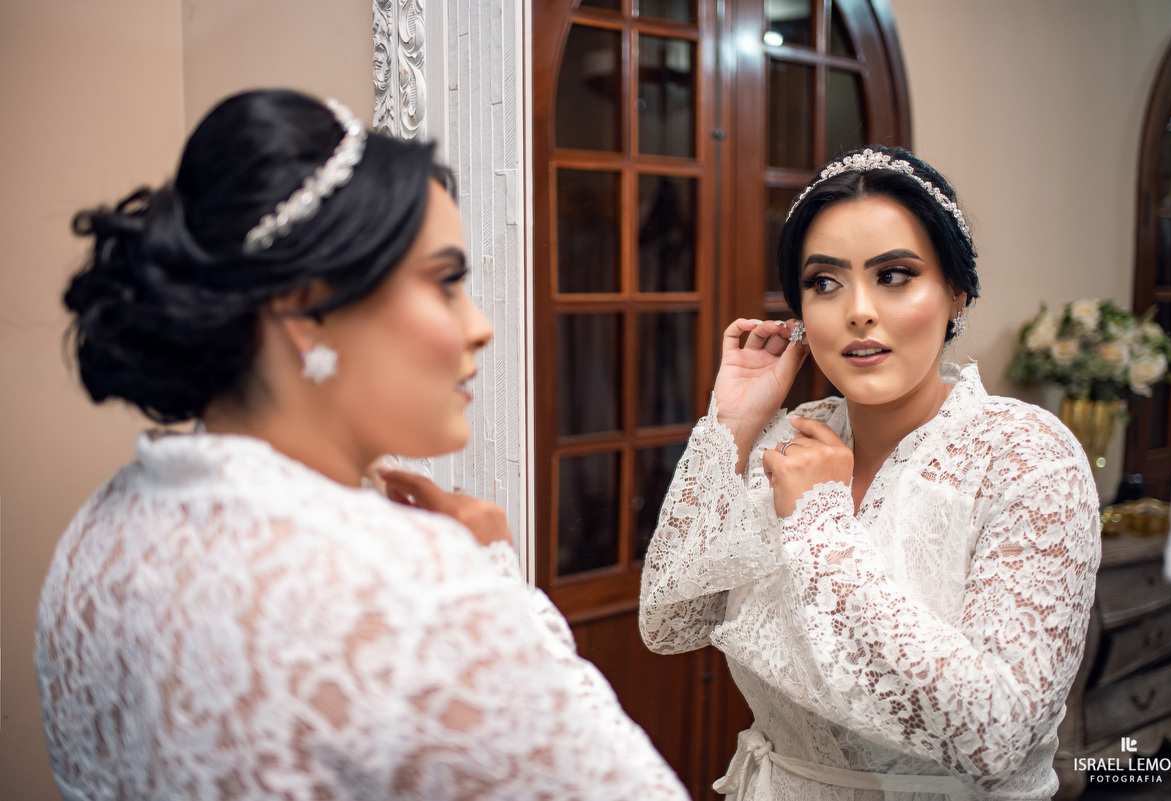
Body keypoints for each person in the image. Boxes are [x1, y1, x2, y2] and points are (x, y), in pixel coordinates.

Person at [36, 89, 688, 801]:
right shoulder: (414, 585)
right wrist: (502, 585)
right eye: (445, 283)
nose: (480, 326)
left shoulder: (94, 537)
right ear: (303, 307)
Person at [639, 146, 1101, 800]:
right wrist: (732, 422)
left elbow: (998, 740)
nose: (857, 309)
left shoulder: (1026, 456)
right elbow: (670, 622)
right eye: (825, 282)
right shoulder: (787, 439)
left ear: (956, 293)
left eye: (894, 275)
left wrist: (822, 524)